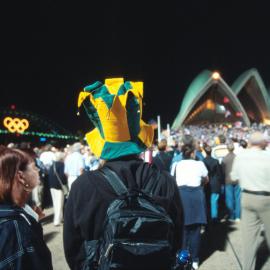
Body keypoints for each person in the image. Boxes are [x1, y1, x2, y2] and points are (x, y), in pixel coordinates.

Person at [63, 78, 183, 270]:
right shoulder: (165, 181)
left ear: (101, 144)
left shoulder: (82, 187)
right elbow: (177, 240)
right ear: (139, 140)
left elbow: (73, 250)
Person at [0, 145, 53, 269]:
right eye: (34, 167)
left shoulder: (13, 215)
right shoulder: (14, 228)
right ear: (21, 177)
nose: (38, 171)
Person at [231, 132, 270, 270]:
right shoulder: (268, 156)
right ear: (263, 143)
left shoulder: (241, 157)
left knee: (249, 240)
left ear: (250, 142)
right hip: (266, 198)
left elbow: (234, 177)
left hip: (247, 197)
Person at [175, 143, 209, 269]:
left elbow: (174, 180)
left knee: (183, 231)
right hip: (195, 196)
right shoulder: (199, 164)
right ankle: (194, 260)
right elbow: (206, 179)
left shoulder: (177, 165)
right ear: (193, 153)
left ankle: (183, 261)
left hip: (182, 196)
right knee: (195, 231)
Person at [203, 145, 223, 222]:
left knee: (208, 201)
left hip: (207, 184)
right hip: (215, 183)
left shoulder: (203, 161)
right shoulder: (216, 161)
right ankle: (214, 217)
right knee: (214, 202)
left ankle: (209, 217)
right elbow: (219, 174)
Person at [222, 143, 241, 222]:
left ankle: (231, 216)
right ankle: (238, 216)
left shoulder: (225, 159)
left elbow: (223, 171)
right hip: (237, 180)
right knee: (237, 199)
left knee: (229, 199)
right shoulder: (237, 157)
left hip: (228, 180)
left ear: (227, 149)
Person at [48, 151, 67, 226]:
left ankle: (60, 218)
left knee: (55, 203)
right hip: (59, 186)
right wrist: (65, 184)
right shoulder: (61, 165)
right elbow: (62, 176)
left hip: (52, 186)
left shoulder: (52, 165)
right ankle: (57, 220)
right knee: (59, 204)